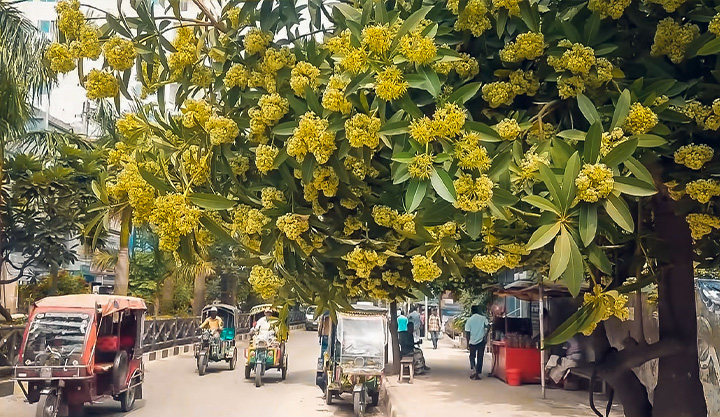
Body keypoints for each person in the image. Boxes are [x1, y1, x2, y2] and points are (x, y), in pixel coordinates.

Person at [465, 305, 489, 380]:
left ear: (471, 311)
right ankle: (478, 373)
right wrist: (486, 335)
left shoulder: (469, 320)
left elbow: (467, 333)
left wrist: (467, 343)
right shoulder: (483, 318)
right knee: (480, 356)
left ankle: (474, 369)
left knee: (472, 356)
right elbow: (488, 326)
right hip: (481, 340)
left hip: (472, 341)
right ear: (478, 310)